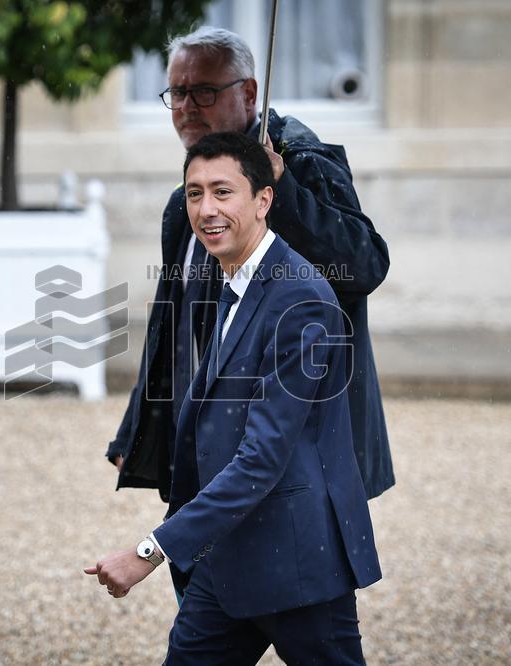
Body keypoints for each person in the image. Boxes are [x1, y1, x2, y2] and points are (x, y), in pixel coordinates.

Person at [86, 132, 380, 664]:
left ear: (264, 200)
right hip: (226, 559)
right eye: (194, 193)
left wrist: (151, 550)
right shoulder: (236, 281)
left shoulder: (302, 300)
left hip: (299, 562)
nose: (206, 209)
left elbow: (261, 459)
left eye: (223, 191)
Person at [106, 27, 394, 503]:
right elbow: (172, 323)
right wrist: (136, 430)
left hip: (296, 450)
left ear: (249, 93)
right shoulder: (184, 202)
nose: (187, 107)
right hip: (206, 445)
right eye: (177, 92)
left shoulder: (299, 157)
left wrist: (283, 193)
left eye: (204, 91)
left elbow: (364, 265)